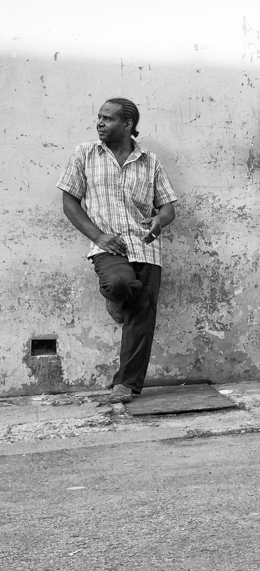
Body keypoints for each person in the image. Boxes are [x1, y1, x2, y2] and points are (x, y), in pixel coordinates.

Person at [59, 98, 178, 404]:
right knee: (120, 284)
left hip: (147, 247)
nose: (100, 123)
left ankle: (125, 384)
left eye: (108, 119)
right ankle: (117, 300)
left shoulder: (150, 161)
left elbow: (168, 207)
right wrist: (98, 236)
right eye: (98, 117)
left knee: (143, 315)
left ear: (127, 125)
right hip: (108, 246)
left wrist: (159, 219)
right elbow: (70, 202)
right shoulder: (84, 154)